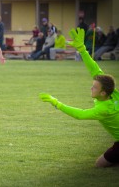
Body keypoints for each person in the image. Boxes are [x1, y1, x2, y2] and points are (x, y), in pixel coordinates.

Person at [40, 27, 119, 168]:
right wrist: (82, 49)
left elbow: (80, 115)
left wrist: (57, 103)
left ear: (102, 93)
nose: (91, 88)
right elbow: (94, 68)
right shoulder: (112, 91)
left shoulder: (104, 109)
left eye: (94, 87)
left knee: (99, 164)